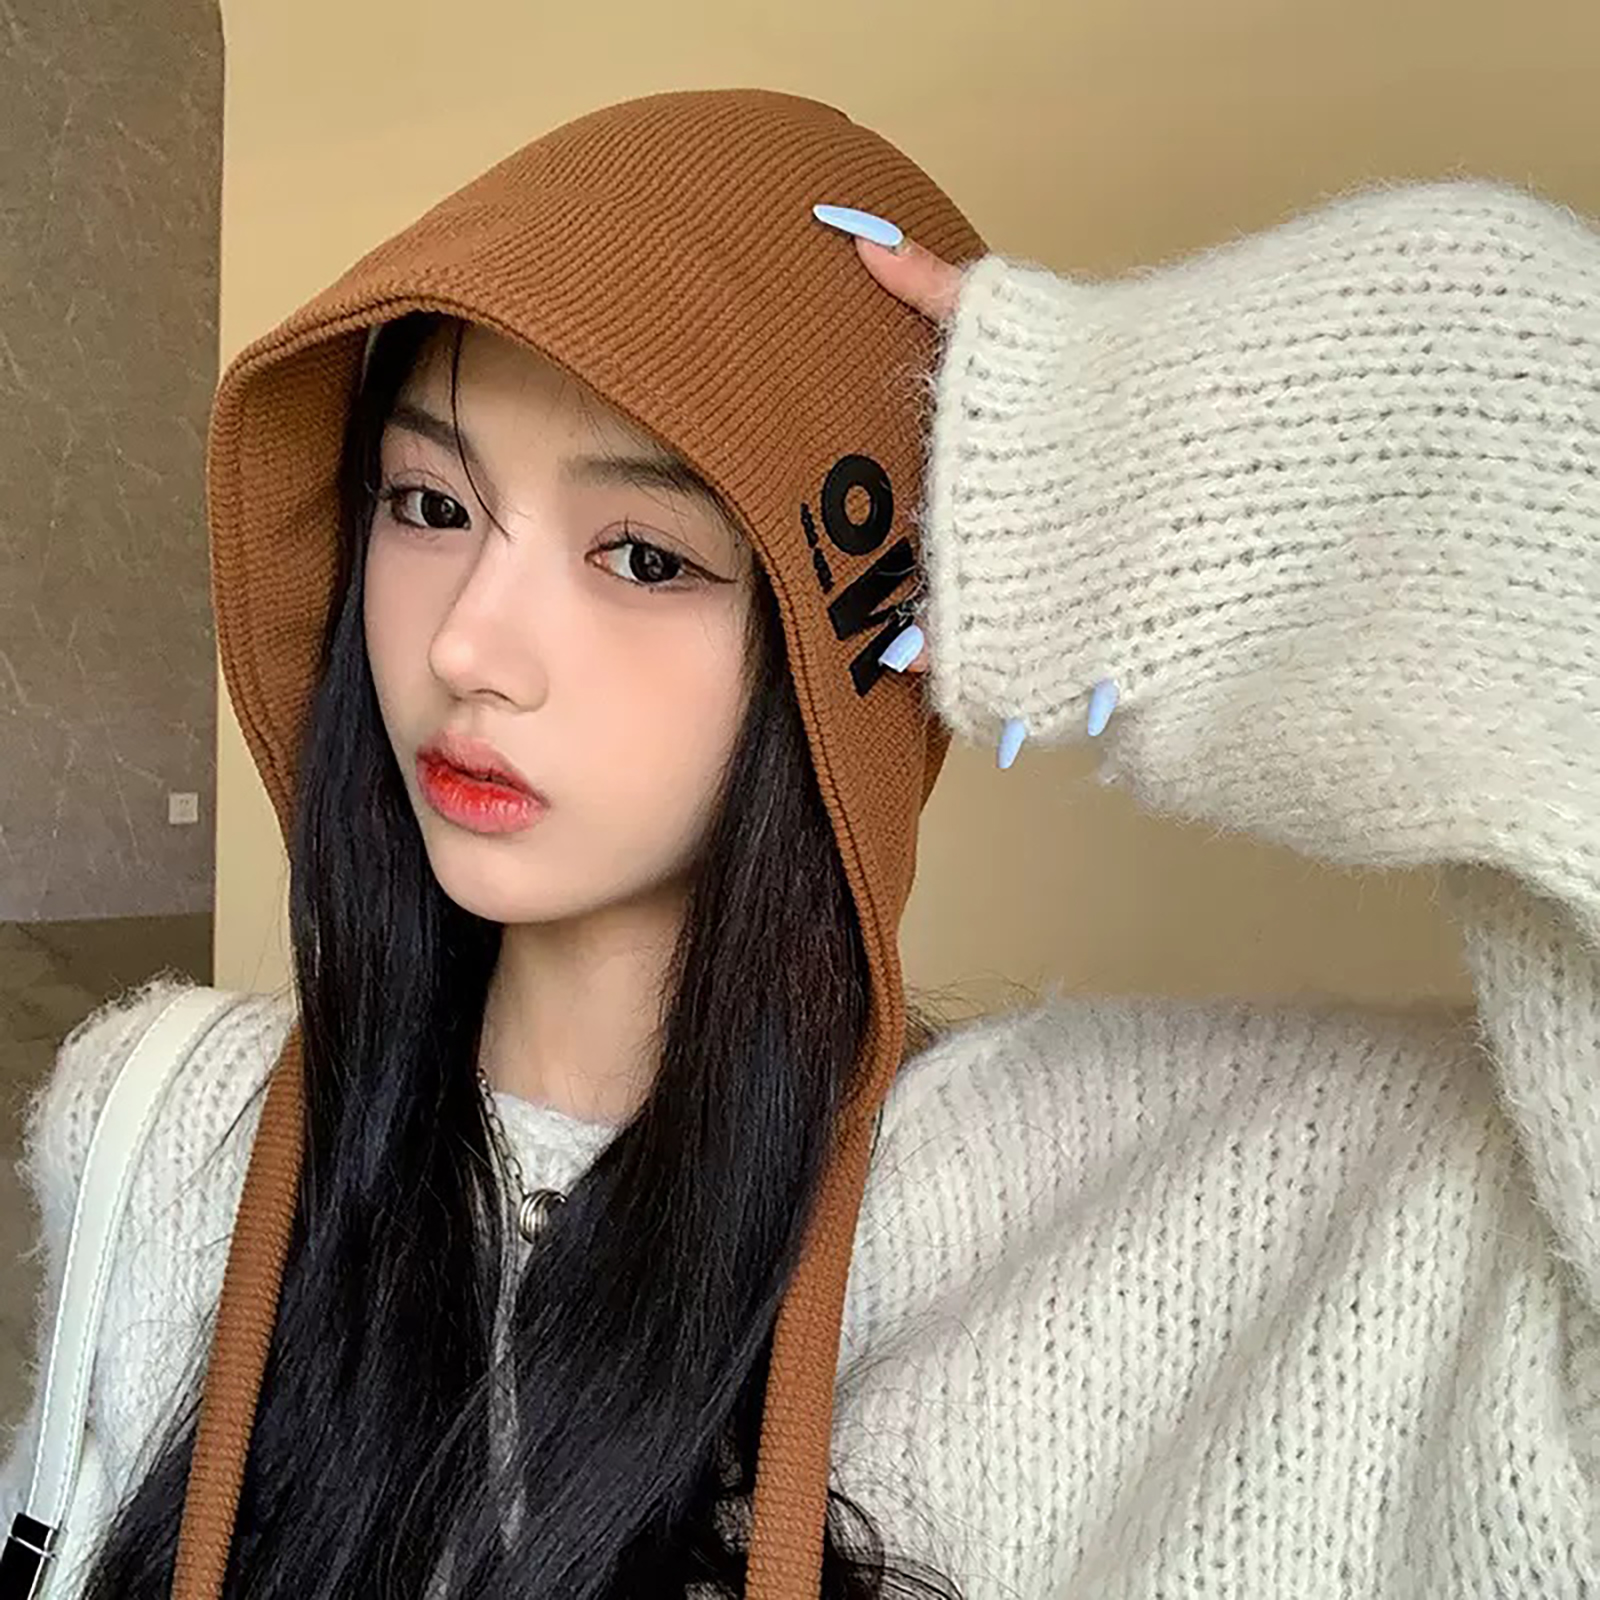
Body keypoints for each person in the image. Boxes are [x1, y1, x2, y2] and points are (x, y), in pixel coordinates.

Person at [2, 86, 1596, 1600]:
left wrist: (1097, 468)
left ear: (856, 624)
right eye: (429, 506)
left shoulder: (1190, 1210)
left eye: (645, 555)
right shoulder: (166, 1128)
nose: (470, 646)